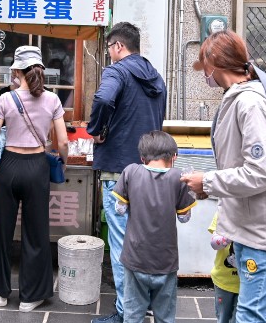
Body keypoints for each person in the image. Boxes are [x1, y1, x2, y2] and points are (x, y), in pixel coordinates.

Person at [182, 30, 266, 323]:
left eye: (205, 66)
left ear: (214, 62)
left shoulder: (249, 103)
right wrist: (209, 187)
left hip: (265, 231)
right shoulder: (240, 98)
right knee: (260, 312)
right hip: (256, 225)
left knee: (252, 314)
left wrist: (209, 182)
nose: (206, 75)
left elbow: (262, 171)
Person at [87, 22, 167, 323]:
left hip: (119, 170)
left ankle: (125, 312)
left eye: (109, 48)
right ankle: (143, 302)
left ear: (118, 46)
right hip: (151, 169)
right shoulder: (156, 77)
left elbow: (104, 99)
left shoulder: (117, 71)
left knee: (121, 243)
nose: (108, 55)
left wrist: (96, 130)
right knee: (143, 241)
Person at [0, 45, 69, 313]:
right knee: (36, 233)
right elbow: (63, 142)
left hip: (8, 166)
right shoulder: (53, 100)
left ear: (17, 71)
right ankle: (31, 297)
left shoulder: (6, 100)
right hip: (37, 165)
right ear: (40, 69)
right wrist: (62, 161)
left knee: (2, 230)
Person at [111, 131, 195, 323]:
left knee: (133, 314)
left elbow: (120, 209)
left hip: (135, 258)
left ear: (142, 157)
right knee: (165, 315)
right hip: (166, 261)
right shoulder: (179, 178)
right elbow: (184, 218)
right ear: (174, 156)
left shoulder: (131, 171)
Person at [209, 208, 240, 323]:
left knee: (240, 319)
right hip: (223, 279)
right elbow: (214, 243)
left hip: (247, 282)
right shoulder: (223, 212)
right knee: (223, 318)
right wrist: (229, 237)